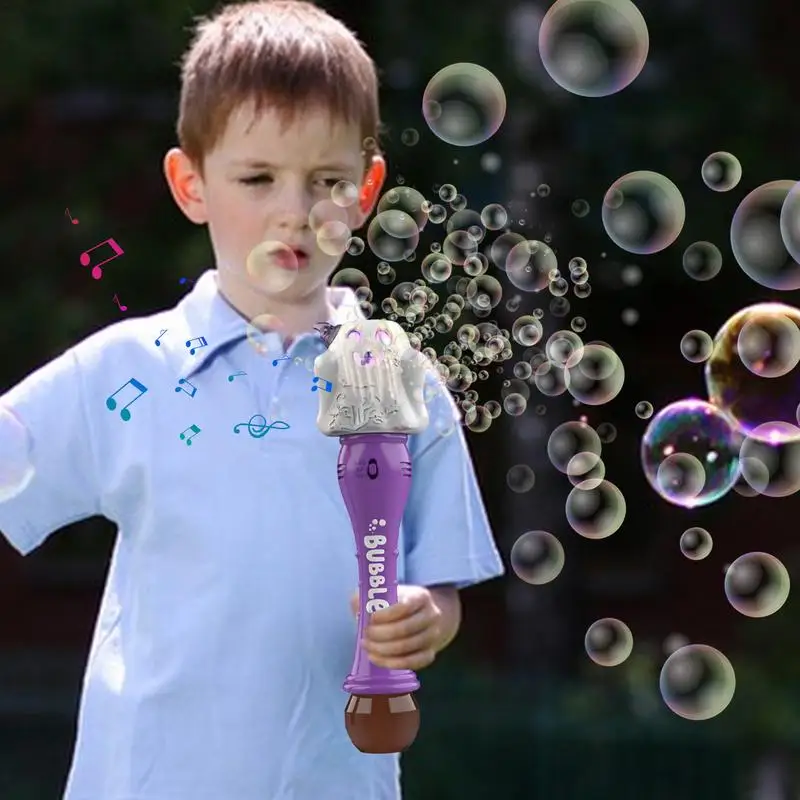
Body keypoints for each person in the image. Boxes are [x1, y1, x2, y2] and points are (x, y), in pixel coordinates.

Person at [0, 1, 504, 798]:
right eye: (258, 177)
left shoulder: (399, 380)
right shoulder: (129, 371)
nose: (293, 211)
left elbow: (440, 588)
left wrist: (423, 615)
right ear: (190, 183)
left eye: (327, 181)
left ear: (368, 190)